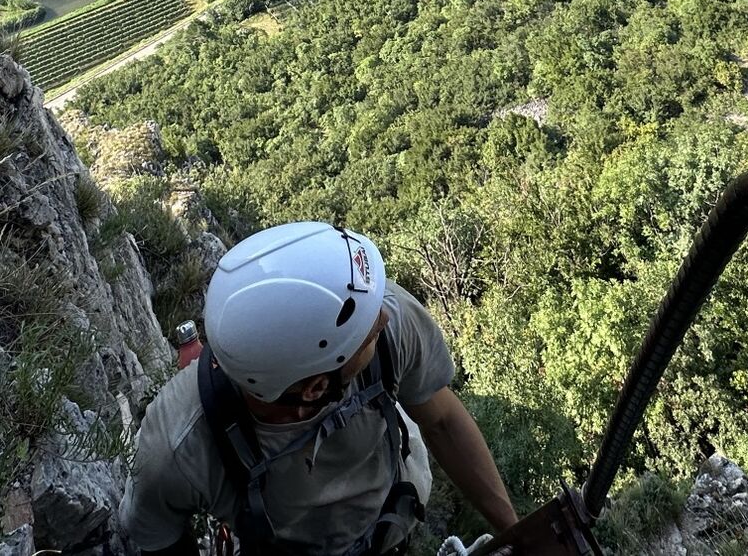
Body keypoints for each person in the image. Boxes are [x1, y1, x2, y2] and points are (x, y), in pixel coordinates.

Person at [121, 221, 519, 556]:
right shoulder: (177, 446)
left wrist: (517, 534)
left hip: (392, 526)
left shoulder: (377, 314)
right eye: (367, 336)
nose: (383, 318)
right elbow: (158, 538)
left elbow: (443, 421)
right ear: (314, 388)